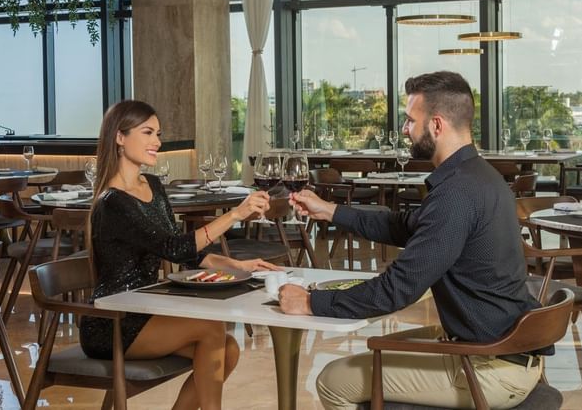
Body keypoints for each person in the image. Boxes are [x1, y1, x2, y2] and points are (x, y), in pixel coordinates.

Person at [282, 71, 544, 410]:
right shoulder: (481, 177)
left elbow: (398, 289)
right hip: (505, 348)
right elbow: (401, 226)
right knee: (379, 347)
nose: (405, 129)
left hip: (487, 366)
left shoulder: (456, 194)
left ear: (436, 125)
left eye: (410, 120)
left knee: (333, 381)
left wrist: (309, 303)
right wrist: (331, 211)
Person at [79, 100, 278, 410]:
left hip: (146, 309)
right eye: (147, 132)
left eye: (158, 133)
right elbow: (174, 249)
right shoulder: (112, 202)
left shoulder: (154, 185)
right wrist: (235, 214)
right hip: (113, 321)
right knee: (212, 329)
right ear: (120, 137)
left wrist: (237, 266)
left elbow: (187, 253)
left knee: (229, 349)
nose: (157, 142)